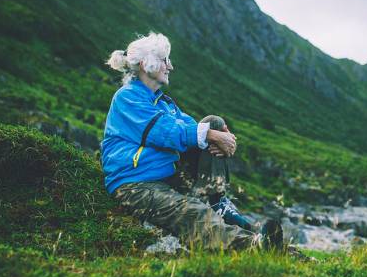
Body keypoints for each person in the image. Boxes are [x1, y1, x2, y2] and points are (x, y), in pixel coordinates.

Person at [100, 32, 282, 251]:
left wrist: (222, 135)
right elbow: (164, 132)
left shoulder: (164, 103)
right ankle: (252, 248)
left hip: (166, 176)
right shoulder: (126, 97)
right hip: (134, 185)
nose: (170, 67)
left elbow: (191, 128)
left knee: (212, 122)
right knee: (193, 211)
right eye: (165, 60)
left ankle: (217, 200)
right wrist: (212, 136)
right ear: (146, 64)